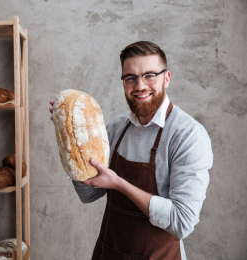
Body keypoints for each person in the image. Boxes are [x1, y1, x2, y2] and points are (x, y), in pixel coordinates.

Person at [49, 41, 213, 260]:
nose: (140, 86)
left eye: (150, 75)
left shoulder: (188, 135)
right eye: (131, 78)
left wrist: (118, 184)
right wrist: (69, 138)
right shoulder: (117, 128)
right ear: (124, 82)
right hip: (109, 253)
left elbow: (181, 222)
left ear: (167, 78)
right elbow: (88, 194)